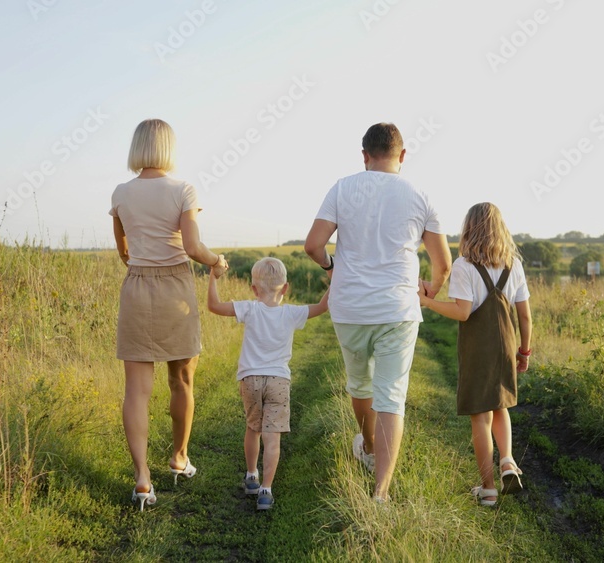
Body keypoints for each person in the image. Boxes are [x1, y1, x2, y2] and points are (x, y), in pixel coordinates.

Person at [304, 122, 452, 502]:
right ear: (402, 156)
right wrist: (430, 290)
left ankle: (368, 447)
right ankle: (381, 492)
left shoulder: (343, 187)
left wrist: (330, 267)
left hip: (350, 307)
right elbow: (443, 263)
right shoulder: (419, 193)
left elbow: (313, 245)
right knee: (391, 397)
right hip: (398, 308)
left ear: (365, 156)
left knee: (360, 385)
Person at [109, 118, 229, 510]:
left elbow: (124, 251)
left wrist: (143, 257)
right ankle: (179, 458)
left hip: (137, 287)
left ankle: (142, 480)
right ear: (169, 148)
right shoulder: (183, 189)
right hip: (176, 287)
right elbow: (193, 247)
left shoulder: (121, 192)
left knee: (137, 392)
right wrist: (217, 262)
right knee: (181, 381)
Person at [417, 202, 532, 507]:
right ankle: (508, 461)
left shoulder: (465, 267)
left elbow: (462, 312)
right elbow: (525, 318)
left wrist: (427, 303)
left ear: (468, 229)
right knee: (502, 406)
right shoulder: (514, 266)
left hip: (476, 351)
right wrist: (525, 351)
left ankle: (489, 488)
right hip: (506, 347)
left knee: (480, 416)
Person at [207, 257, 330, 510]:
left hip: (250, 379)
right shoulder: (292, 312)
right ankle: (266, 490)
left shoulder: (250, 308)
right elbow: (322, 306)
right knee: (272, 439)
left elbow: (214, 306)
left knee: (253, 428)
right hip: (278, 380)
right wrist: (334, 277)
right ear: (286, 288)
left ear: (254, 289)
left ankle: (251, 476)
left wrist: (213, 276)